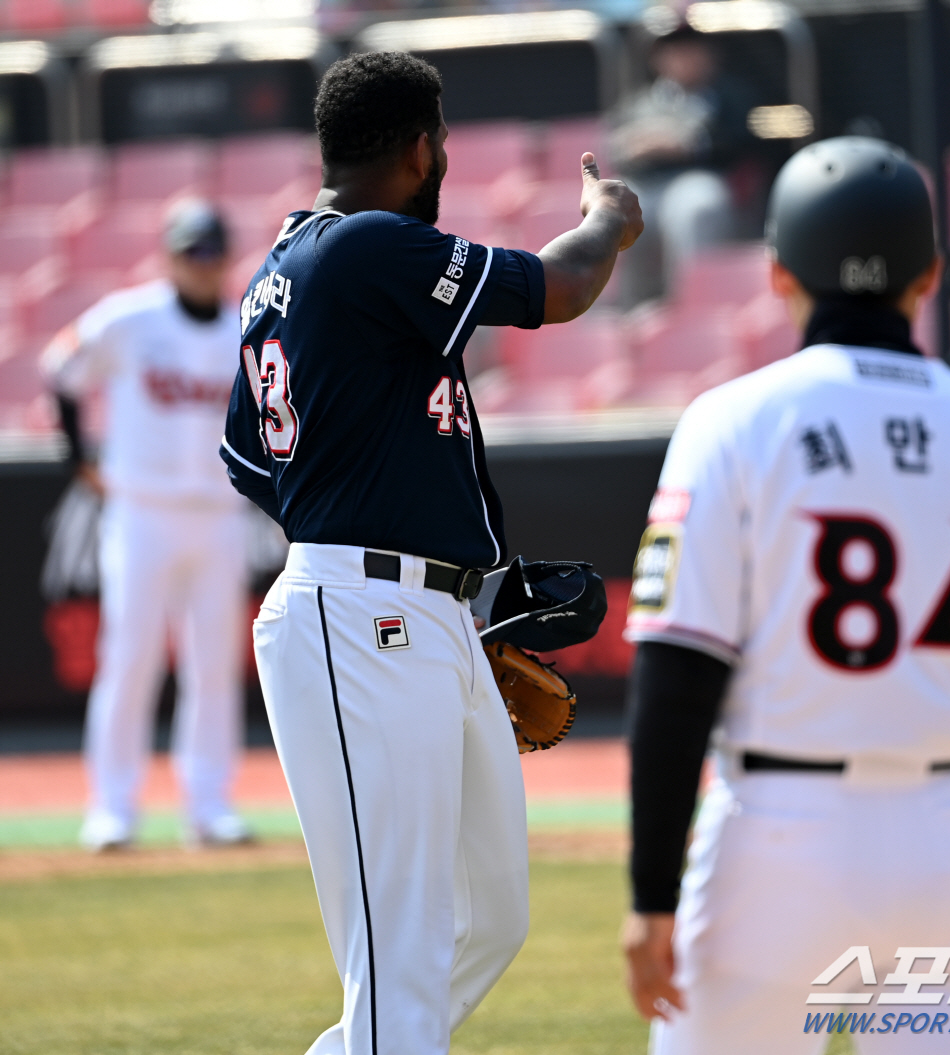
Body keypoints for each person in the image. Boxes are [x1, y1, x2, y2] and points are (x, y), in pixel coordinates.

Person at [621, 137, 950, 1053]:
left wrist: (650, 894)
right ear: (928, 279)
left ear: (776, 273)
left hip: (774, 834)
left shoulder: (732, 423)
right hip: (946, 841)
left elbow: (678, 673)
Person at [220, 53, 641, 1055]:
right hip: (359, 617)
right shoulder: (369, 245)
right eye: (440, 139)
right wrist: (612, 218)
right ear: (417, 148)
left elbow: (251, 462)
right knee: (402, 953)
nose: (444, 154)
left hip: (418, 613)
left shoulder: (284, 270)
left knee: (487, 917)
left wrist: (455, 578)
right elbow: (565, 285)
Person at [40, 200, 251, 851]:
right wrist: (80, 458)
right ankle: (112, 807)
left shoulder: (244, 328)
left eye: (213, 253)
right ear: (170, 255)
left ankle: (210, 804)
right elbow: (60, 367)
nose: (203, 265)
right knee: (128, 659)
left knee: (213, 665)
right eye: (192, 252)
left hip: (218, 513)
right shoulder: (131, 318)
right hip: (142, 512)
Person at [610, 19, 758, 303]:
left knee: (697, 206)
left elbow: (742, 143)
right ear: (659, 60)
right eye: (677, 52)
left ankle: (695, 304)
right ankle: (629, 311)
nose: (687, 59)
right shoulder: (640, 102)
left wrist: (690, 144)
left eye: (694, 50)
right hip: (649, 184)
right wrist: (643, 147)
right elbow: (619, 151)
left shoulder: (730, 96)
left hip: (702, 179)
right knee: (613, 213)